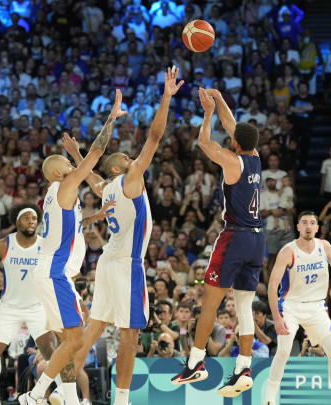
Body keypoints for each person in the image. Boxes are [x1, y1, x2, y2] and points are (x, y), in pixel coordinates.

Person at [66, 66, 183, 405]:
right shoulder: (130, 181)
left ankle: (60, 388)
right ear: (121, 167)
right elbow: (154, 139)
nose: (136, 161)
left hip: (106, 264)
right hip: (126, 264)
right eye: (130, 160)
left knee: (95, 329)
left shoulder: (106, 189)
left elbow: (89, 176)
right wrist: (166, 97)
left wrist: (76, 155)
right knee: (130, 334)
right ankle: (122, 400)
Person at [19, 90, 125, 405]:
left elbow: (70, 227)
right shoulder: (64, 186)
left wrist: (96, 216)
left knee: (70, 341)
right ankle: (37, 395)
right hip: (55, 273)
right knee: (76, 338)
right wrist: (111, 118)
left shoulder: (57, 196)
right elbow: (96, 154)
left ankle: (68, 398)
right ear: (58, 172)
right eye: (67, 162)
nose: (71, 163)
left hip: (52, 272)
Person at [171, 88, 265, 399]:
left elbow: (203, 143)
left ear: (236, 142)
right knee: (244, 308)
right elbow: (234, 125)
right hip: (257, 240)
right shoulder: (254, 157)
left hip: (235, 237)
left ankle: (196, 362)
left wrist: (209, 111)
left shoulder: (231, 160)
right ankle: (244, 367)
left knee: (210, 304)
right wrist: (220, 98)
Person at [264, 211, 331, 405]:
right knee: (283, 351)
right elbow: (272, 286)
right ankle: (269, 400)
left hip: (316, 307)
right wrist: (277, 317)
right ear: (298, 227)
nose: (308, 226)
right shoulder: (287, 251)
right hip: (291, 307)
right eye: (304, 222)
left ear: (317, 227)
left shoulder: (324, 246)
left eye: (312, 223)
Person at [0, 204, 58, 405]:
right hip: (9, 307)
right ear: (17, 221)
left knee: (51, 349)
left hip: (38, 306)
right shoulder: (3, 245)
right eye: (27, 218)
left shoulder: (45, 245)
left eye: (34, 218)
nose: (32, 222)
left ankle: (64, 395)